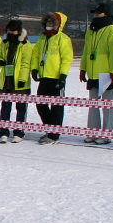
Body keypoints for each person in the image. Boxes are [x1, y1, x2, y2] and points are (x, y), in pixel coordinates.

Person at [79, 4, 113, 144]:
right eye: (95, 13)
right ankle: (93, 132)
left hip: (106, 74)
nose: (96, 15)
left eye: (99, 13)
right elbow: (86, 52)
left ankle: (106, 134)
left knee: (107, 106)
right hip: (93, 73)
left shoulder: (112, 31)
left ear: (107, 14)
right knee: (93, 105)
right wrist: (83, 69)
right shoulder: (91, 31)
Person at [30, 11, 73, 145]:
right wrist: (34, 69)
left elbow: (67, 58)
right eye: (47, 22)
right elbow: (36, 55)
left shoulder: (63, 39)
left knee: (57, 107)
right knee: (41, 104)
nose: (49, 24)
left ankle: (54, 134)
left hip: (56, 78)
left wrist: (63, 76)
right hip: (44, 77)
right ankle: (50, 128)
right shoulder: (42, 39)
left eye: (51, 22)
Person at [0, 20, 32, 144]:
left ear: (19, 31)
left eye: (13, 31)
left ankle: (19, 132)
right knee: (5, 107)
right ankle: (4, 131)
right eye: (9, 31)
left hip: (20, 82)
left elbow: (26, 64)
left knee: (21, 108)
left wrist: (22, 79)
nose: (11, 33)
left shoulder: (25, 45)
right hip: (6, 81)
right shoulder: (4, 44)